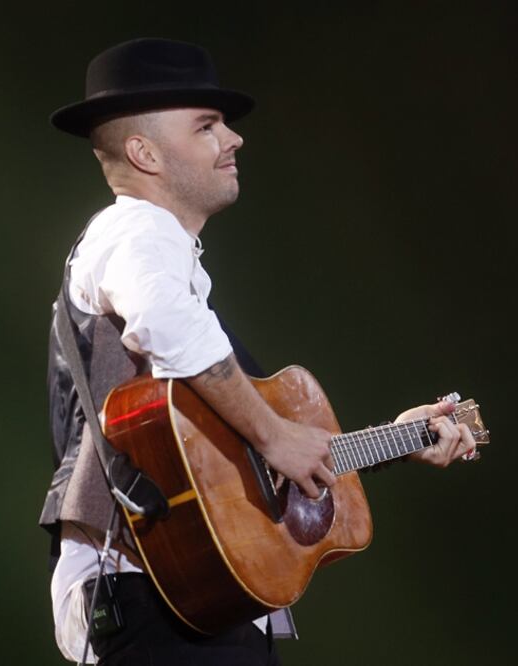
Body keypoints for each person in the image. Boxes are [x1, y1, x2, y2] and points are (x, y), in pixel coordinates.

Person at [39, 37, 478, 665]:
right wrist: (274, 435)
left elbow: (236, 467)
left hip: (200, 602)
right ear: (144, 152)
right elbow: (165, 325)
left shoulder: (173, 266)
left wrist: (397, 439)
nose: (234, 139)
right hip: (151, 594)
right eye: (208, 125)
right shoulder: (132, 227)